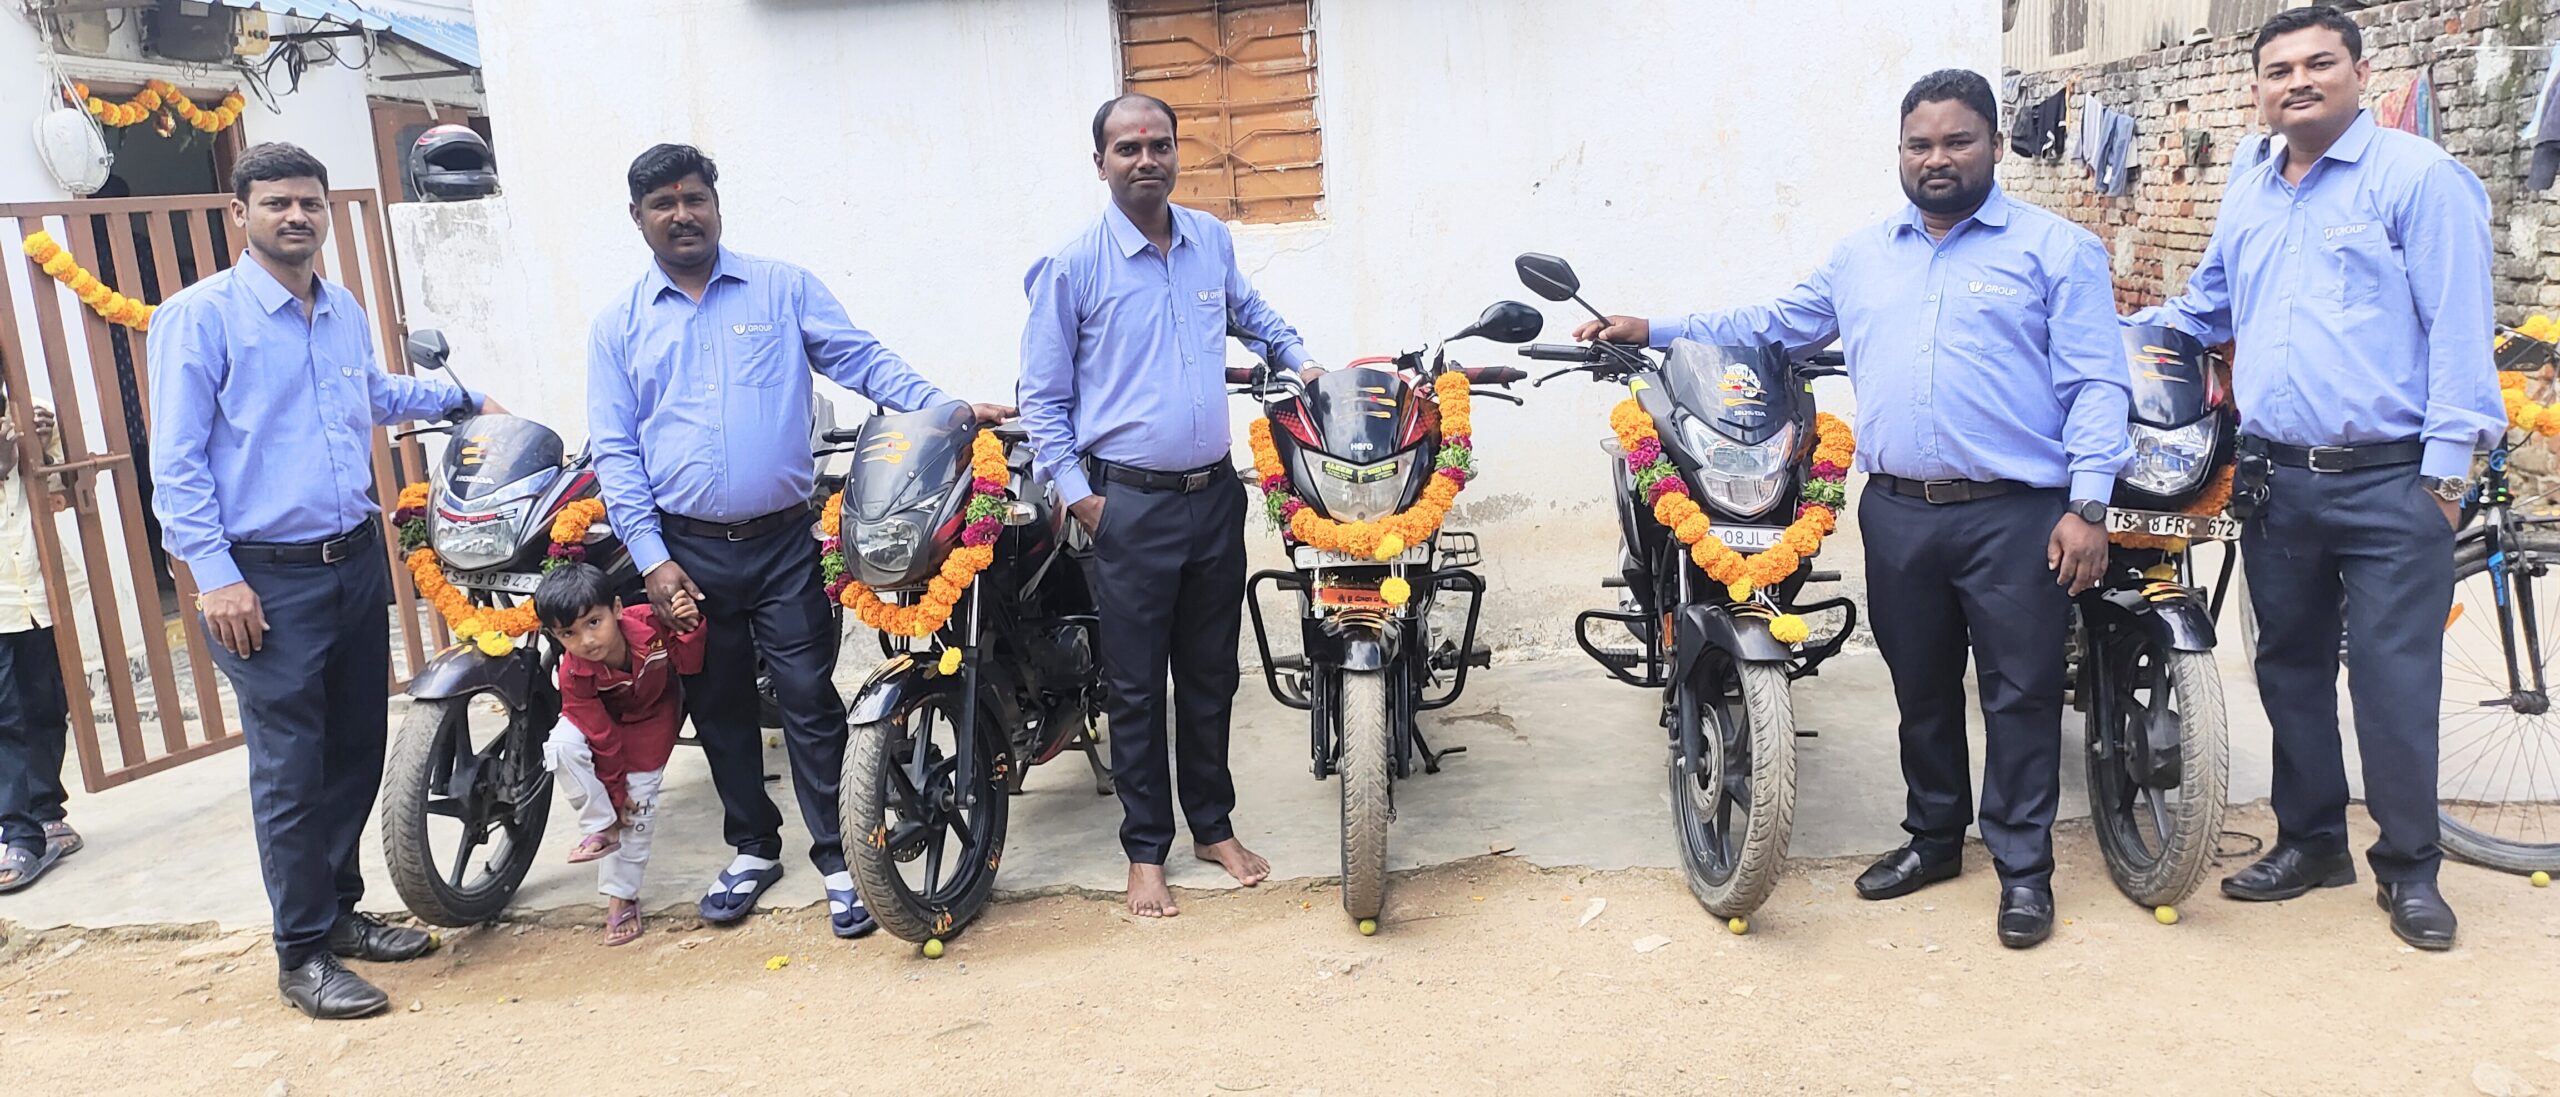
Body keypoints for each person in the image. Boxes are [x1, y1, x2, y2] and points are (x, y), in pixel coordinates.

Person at [1576, 70, 2130, 948]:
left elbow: (2099, 383)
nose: (1937, 158)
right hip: (1900, 511)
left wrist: (2090, 504)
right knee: (1921, 686)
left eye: (1957, 141)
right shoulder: (1862, 256)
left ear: (1994, 145)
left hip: (2017, 512)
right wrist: (1656, 329)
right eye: (1920, 144)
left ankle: (2024, 870)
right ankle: (1934, 839)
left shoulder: (2058, 251)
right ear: (1900, 153)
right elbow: (1770, 323)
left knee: (2019, 694)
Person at [2130, 5, 2503, 951]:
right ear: (2258, 87)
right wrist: (2104, 333)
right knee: (2289, 668)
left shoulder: (2420, 180)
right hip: (2276, 480)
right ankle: (2311, 842)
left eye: (2318, 63)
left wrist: (2443, 480)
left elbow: (2461, 331)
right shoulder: (2251, 189)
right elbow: (2208, 306)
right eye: (2279, 69)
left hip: (2391, 482)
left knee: (2392, 681)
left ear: (2360, 73)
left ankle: (2410, 869)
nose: (2297, 81)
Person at [586, 143, 1011, 937]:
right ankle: (752, 847)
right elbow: (615, 450)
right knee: (717, 706)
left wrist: (944, 409)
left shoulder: (779, 289)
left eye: (694, 198)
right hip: (686, 552)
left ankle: (839, 859)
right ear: (637, 218)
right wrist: (653, 561)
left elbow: (859, 358)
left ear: (716, 205)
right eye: (663, 204)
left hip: (785, 543)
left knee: (809, 699)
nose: (682, 214)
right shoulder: (618, 327)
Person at [148, 143, 502, 1019]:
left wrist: (456, 401)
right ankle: (301, 952)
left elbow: (368, 393)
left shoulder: (340, 308)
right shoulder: (200, 319)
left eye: (309, 202)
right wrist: (216, 577)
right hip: (262, 581)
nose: (296, 216)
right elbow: (177, 464)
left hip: (352, 561)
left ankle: (340, 913)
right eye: (277, 203)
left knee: (353, 748)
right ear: (241, 214)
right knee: (291, 768)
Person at [1019, 93, 1325, 917]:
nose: (1146, 159)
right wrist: (1082, 499)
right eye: (1128, 148)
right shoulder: (1073, 267)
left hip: (1212, 497)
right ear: (1101, 164)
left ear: (1177, 153)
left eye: (1159, 145)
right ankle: (1146, 850)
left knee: (1211, 674)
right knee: (1135, 686)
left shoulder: (1209, 241)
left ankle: (1212, 827)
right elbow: (1042, 399)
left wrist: (1300, 360)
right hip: (1128, 507)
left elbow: (1251, 315)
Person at [533, 563, 705, 946]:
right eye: (568, 633)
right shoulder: (573, 672)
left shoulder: (650, 623)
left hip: (652, 720)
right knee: (560, 747)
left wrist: (689, 627)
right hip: (602, 723)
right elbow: (600, 736)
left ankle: (621, 895)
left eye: (594, 623)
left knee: (639, 805)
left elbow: (690, 665)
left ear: (617, 608)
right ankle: (602, 826)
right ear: (554, 636)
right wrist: (612, 797)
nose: (586, 641)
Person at [0, 400, 78, 894]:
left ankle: (48, 813)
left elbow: (63, 493)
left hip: (37, 590)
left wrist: (42, 446)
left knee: (47, 704)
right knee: (5, 719)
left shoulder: (23, 411)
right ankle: (19, 833)